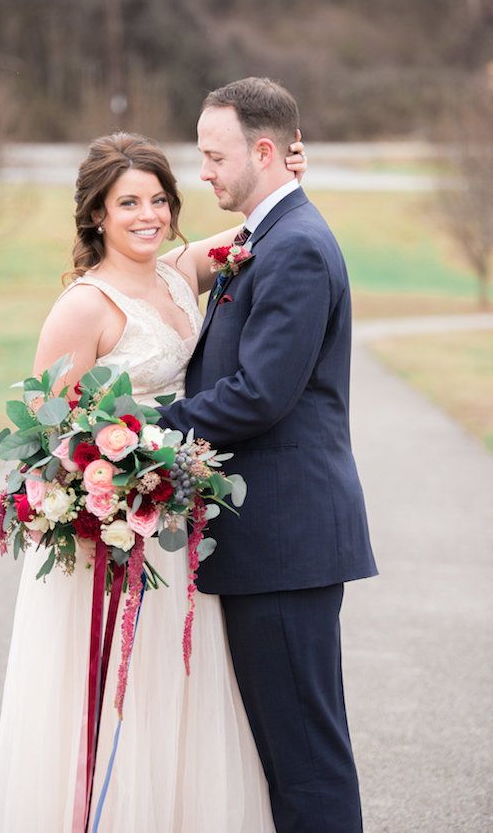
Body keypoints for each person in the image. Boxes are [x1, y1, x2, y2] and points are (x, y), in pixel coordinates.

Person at [0, 129, 307, 832]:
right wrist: (107, 493)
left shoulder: (177, 271)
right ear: (97, 213)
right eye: (128, 202)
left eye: (159, 198)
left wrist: (279, 170)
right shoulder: (84, 306)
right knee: (111, 698)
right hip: (112, 537)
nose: (148, 215)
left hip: (178, 524)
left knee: (177, 692)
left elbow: (255, 230)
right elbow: (46, 435)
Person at [158, 77, 378, 833]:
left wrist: (152, 427)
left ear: (262, 151)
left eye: (215, 157)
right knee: (287, 753)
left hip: (286, 540)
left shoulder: (298, 247)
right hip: (271, 543)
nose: (205, 173)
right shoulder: (268, 233)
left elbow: (259, 395)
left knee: (306, 759)